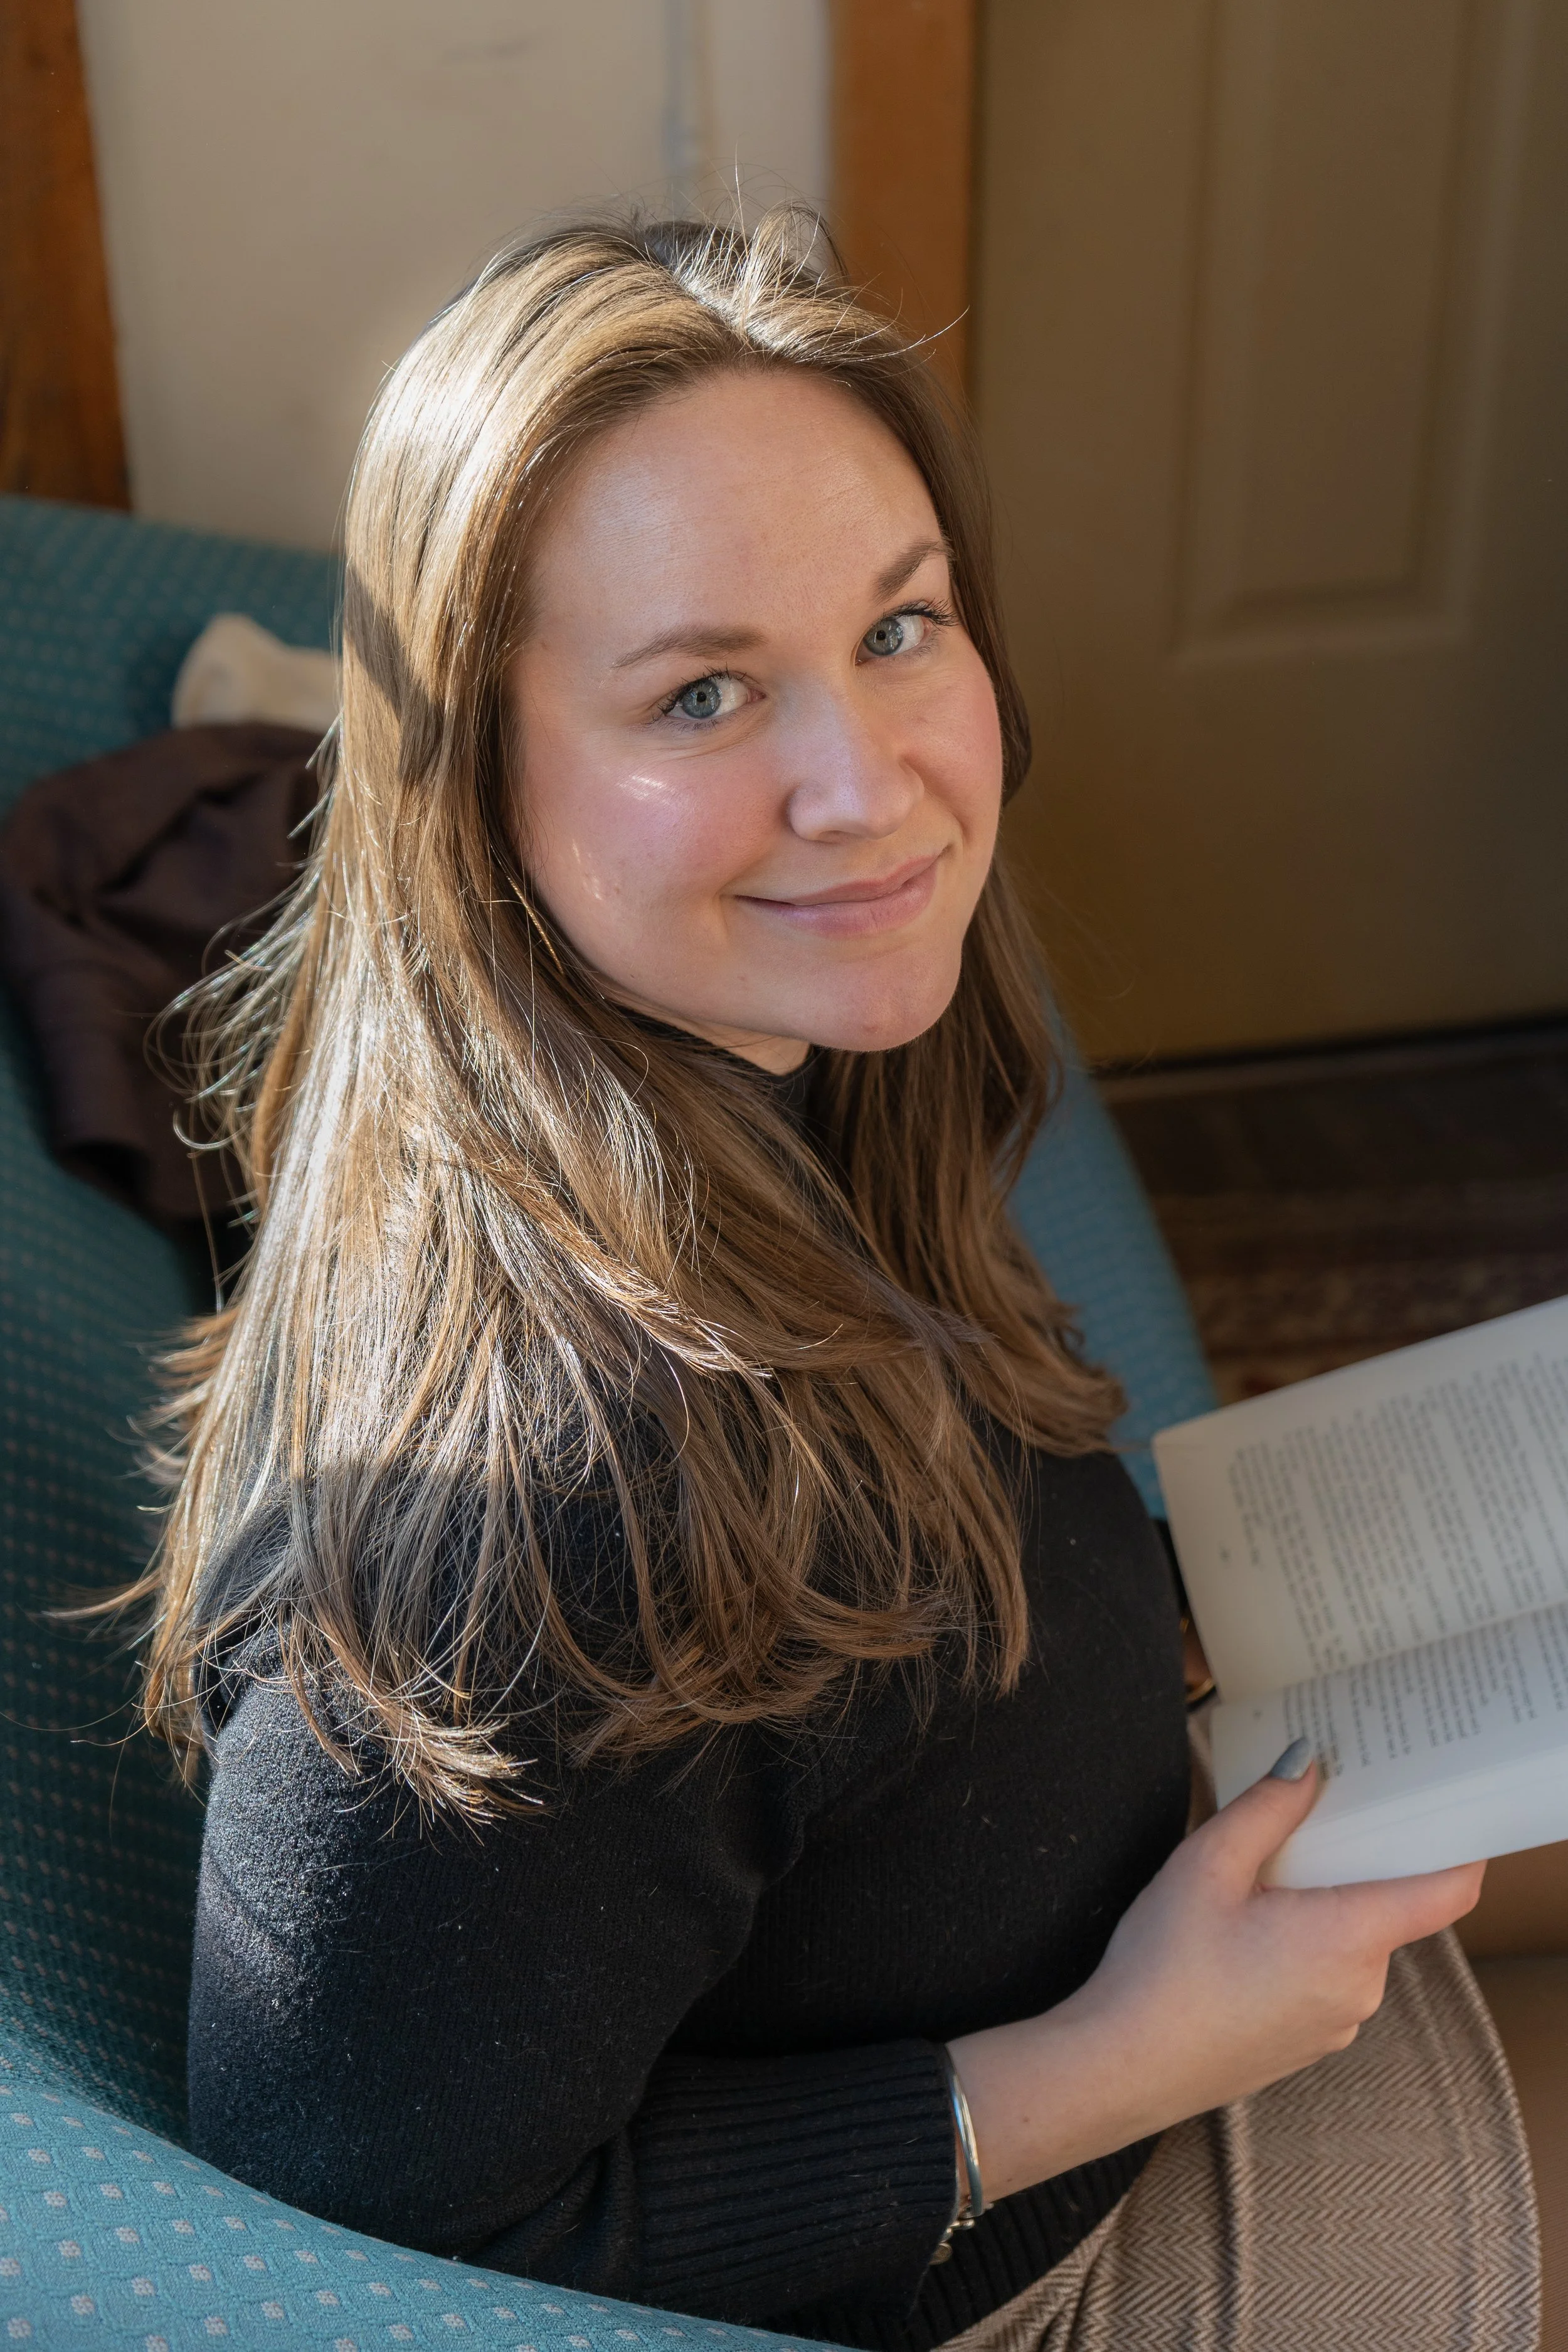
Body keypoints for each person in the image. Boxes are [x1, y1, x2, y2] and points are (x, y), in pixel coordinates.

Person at [130, 213, 1539, 2351]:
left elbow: (835, 1684)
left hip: (1128, 1911)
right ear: (477, 792)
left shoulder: (796, 1069)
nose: (867, 787)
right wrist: (1133, 2061)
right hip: (1029, 2235)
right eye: (702, 691)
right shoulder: (512, 1518)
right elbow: (370, 2258)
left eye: (901, 628)